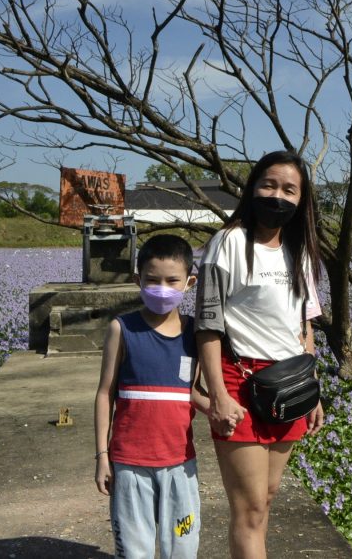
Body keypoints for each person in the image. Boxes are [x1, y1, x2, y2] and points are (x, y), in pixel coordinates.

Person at [195, 149, 325, 559]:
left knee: (265, 499)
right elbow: (208, 326)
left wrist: (314, 390)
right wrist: (217, 394)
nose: (278, 196)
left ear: (302, 200)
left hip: (289, 385)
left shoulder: (299, 250)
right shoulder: (228, 243)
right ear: (252, 187)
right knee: (249, 509)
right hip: (241, 382)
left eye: (290, 190)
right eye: (269, 185)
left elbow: (304, 326)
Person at [94, 233, 230, 559]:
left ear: (190, 282)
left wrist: (219, 408)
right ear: (137, 279)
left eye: (173, 280)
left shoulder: (194, 333)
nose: (163, 288)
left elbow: (190, 392)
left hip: (180, 465)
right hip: (129, 465)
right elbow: (104, 394)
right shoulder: (121, 329)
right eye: (153, 280)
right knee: (134, 549)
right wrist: (102, 456)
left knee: (183, 544)